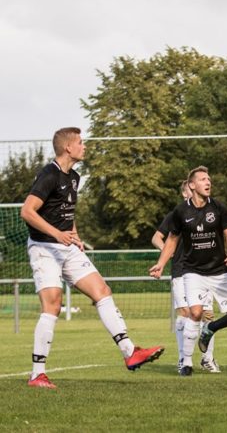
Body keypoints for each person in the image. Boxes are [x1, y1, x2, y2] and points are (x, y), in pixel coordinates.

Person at [21, 127, 164, 389]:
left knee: (102, 290)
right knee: (53, 304)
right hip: (44, 248)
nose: (84, 146)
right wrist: (57, 234)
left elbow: (66, 212)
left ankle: (130, 353)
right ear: (68, 148)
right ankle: (37, 374)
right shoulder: (48, 174)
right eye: (80, 142)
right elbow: (27, 212)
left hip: (66, 247)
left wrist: (74, 235)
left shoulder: (74, 177)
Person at [149, 166, 227, 376]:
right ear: (192, 185)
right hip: (193, 271)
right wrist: (161, 263)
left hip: (219, 271)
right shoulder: (180, 211)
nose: (208, 183)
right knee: (196, 313)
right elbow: (171, 241)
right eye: (203, 179)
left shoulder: (218, 208)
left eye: (209, 179)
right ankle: (186, 363)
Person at [152, 180, 220, 373]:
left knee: (207, 314)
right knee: (185, 313)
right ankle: (183, 359)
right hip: (182, 270)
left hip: (205, 271)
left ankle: (207, 359)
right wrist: (168, 252)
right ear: (185, 194)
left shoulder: (210, 213)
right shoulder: (176, 215)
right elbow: (157, 237)